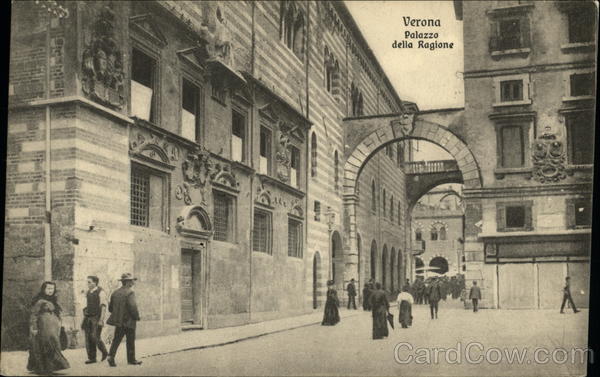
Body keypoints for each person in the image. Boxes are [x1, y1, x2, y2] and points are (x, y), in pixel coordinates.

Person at [27, 281, 70, 375]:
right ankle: (44, 368)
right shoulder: (40, 301)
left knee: (54, 344)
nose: (50, 291)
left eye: (52, 289)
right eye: (48, 288)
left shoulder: (54, 300)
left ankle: (51, 367)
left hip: (53, 328)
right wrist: (34, 327)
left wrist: (61, 324)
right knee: (45, 344)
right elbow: (34, 314)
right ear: (44, 289)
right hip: (43, 327)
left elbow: (57, 313)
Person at [106, 273, 142, 367]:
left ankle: (110, 356)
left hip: (119, 321)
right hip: (129, 321)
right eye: (131, 281)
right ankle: (131, 360)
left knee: (116, 340)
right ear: (127, 282)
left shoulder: (115, 292)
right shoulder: (130, 292)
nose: (133, 282)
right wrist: (136, 317)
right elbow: (132, 307)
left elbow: (110, 308)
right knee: (130, 340)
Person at [82, 275, 109, 364]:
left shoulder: (101, 292)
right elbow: (85, 304)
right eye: (87, 282)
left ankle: (105, 352)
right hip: (88, 318)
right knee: (88, 338)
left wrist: (101, 320)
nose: (88, 284)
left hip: (96, 318)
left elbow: (103, 307)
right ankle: (92, 358)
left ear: (95, 282)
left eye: (89, 282)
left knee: (95, 337)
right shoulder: (88, 292)